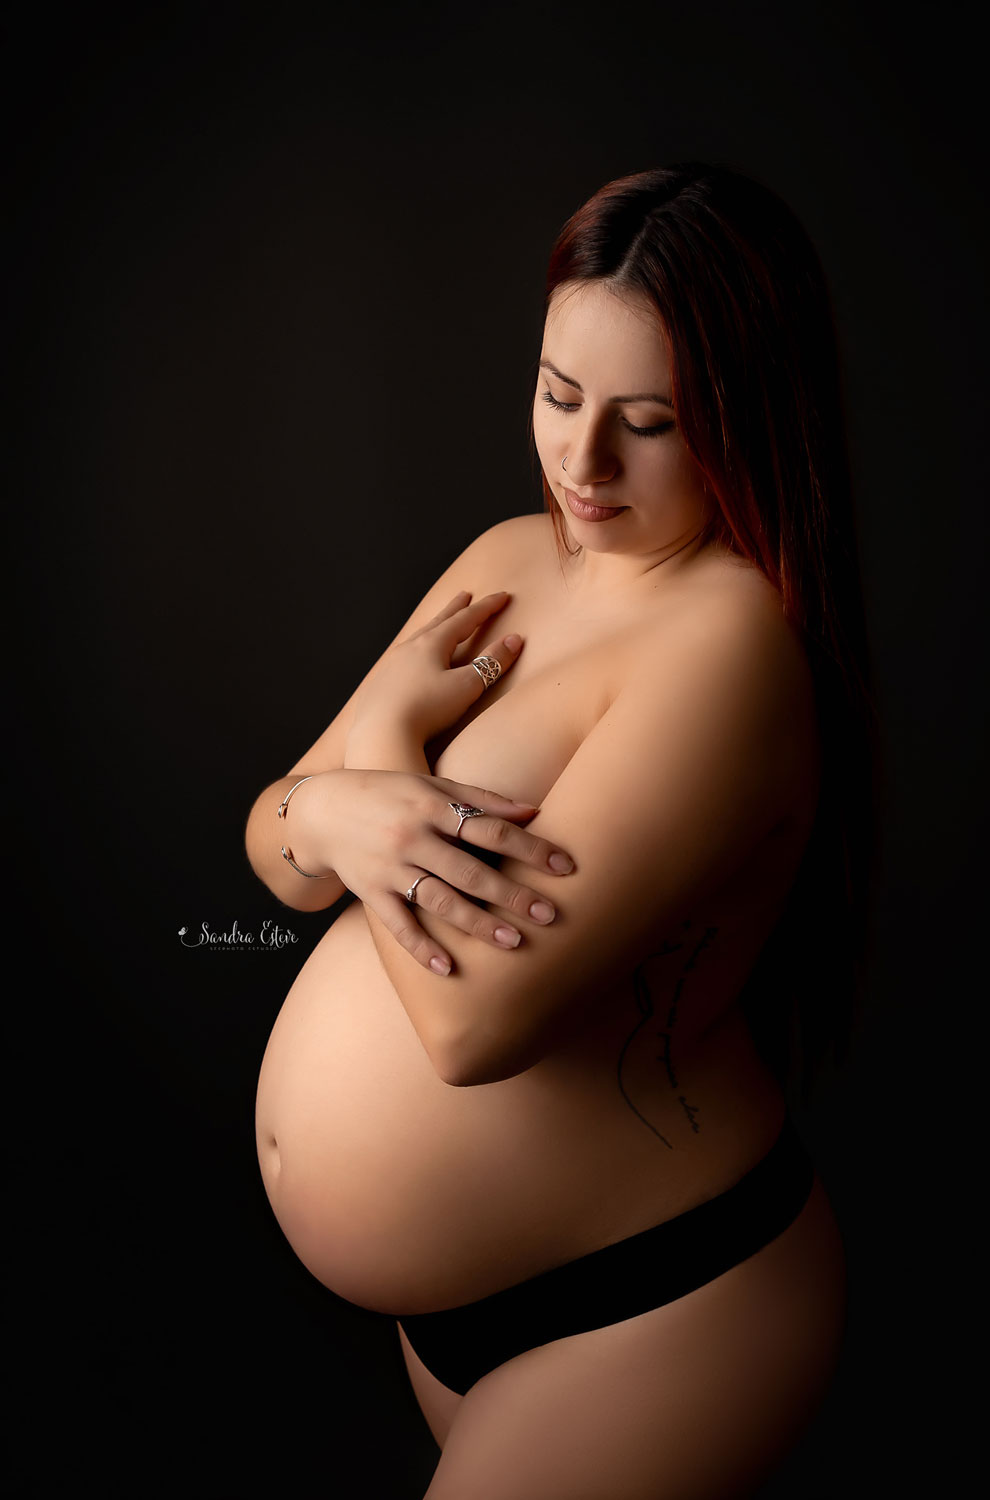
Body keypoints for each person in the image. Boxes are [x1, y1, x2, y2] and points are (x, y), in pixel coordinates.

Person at [245, 160, 877, 1498]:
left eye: (647, 423)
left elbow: (473, 1028)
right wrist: (330, 813)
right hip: (463, 1298)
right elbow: (276, 850)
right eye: (557, 394)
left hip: (646, 1301)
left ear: (747, 418)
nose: (582, 463)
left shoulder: (730, 646)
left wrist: (375, 757)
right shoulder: (506, 560)